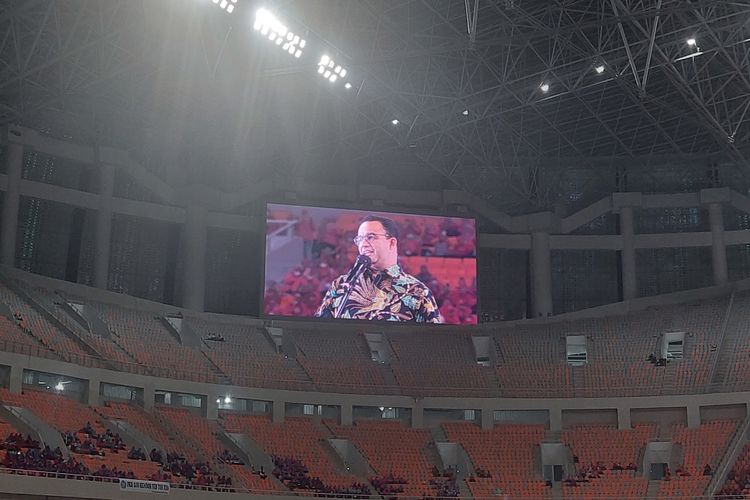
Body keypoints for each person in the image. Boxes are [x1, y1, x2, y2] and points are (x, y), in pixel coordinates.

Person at [315, 215, 442, 322]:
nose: (363, 244)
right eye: (359, 239)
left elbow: (432, 343)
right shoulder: (342, 284)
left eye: (370, 237)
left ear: (392, 242)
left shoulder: (417, 291)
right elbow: (319, 330)